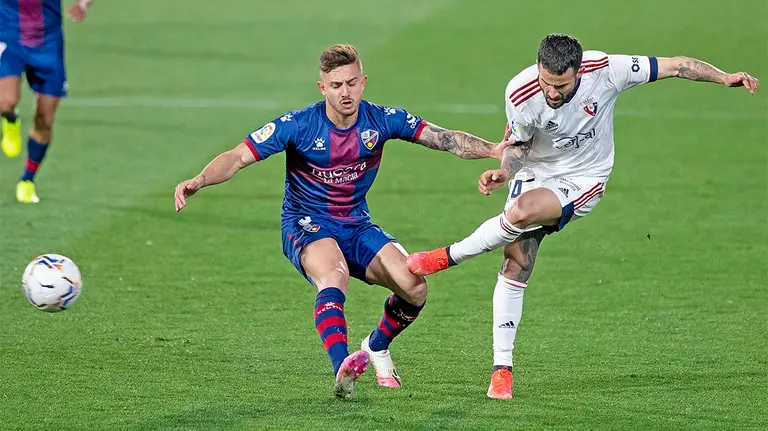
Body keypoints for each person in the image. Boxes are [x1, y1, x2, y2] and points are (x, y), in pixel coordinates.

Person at [406, 33, 759, 400]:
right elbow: (519, 145)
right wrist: (506, 173)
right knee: (515, 262)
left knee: (522, 212)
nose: (552, 93)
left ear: (578, 71)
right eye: (546, 83)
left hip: (584, 178)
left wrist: (724, 77)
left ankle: (449, 256)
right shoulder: (520, 92)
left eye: (561, 85)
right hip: (535, 170)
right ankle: (502, 370)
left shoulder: (607, 69)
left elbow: (675, 65)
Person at [174, 44, 510, 400]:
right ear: (322, 88)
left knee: (414, 287)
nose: (345, 92)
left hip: (356, 224)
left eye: (351, 83)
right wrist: (200, 180)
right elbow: (238, 156)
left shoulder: (381, 119)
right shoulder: (299, 125)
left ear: (363, 82)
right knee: (333, 274)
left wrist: (492, 150)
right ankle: (342, 367)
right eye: (336, 85)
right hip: (306, 223)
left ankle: (376, 346)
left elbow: (442, 138)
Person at [0, 0, 94, 203]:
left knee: (45, 118)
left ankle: (27, 179)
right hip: (8, 35)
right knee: (5, 101)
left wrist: (83, 5)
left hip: (47, 43)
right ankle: (10, 119)